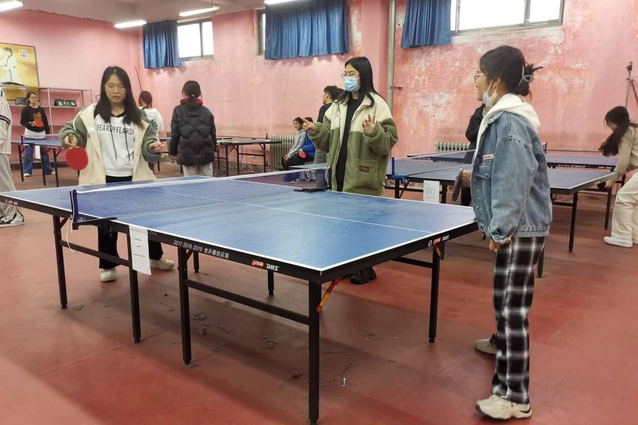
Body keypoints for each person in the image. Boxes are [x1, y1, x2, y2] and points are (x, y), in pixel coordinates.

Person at [466, 46, 551, 421]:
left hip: (519, 227)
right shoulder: (502, 116)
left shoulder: (509, 122)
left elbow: (512, 179)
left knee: (513, 310)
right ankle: (500, 342)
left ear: (495, 80)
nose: (475, 80)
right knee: (504, 299)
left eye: (478, 73)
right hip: (520, 225)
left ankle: (514, 396)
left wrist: (500, 228)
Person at [60, 66, 174, 282]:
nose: (115, 90)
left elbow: (149, 142)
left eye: (120, 86)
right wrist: (70, 138)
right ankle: (108, 264)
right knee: (106, 225)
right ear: (104, 87)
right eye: (111, 86)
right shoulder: (89, 114)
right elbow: (71, 131)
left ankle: (155, 257)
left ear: (127, 89)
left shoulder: (139, 115)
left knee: (147, 220)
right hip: (104, 179)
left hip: (135, 178)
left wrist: (152, 147)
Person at [305, 56, 398, 284]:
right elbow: (328, 142)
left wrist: (374, 132)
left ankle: (365, 269)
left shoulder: (377, 104)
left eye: (352, 74)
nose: (347, 78)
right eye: (345, 74)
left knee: (362, 227)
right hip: (338, 175)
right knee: (343, 226)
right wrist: (316, 130)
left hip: (363, 176)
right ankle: (349, 265)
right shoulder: (337, 106)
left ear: (363, 76)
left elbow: (387, 143)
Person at [599, 106, 638, 247]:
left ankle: (622, 237)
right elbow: (632, 162)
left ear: (615, 121)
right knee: (634, 201)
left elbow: (623, 162)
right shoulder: (634, 129)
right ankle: (635, 235)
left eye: (609, 123)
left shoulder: (626, 133)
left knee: (623, 198)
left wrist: (612, 179)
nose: (609, 127)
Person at [169, 80, 216, 177]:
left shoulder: (178, 110)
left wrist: (172, 151)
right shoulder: (207, 111)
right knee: (208, 184)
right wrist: (214, 148)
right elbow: (213, 133)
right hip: (206, 154)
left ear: (184, 93)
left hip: (187, 155)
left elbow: (175, 134)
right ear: (199, 94)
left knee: (190, 184)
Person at [0, 87, 25, 227]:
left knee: (4, 183)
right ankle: (3, 213)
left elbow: (3, 118)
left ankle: (14, 214)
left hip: (0, 148)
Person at [20, 91, 54, 177]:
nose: (34, 99)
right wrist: (30, 124)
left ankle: (48, 170)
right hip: (30, 134)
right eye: (32, 97)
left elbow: (45, 121)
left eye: (35, 97)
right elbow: (22, 122)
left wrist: (47, 133)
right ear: (28, 99)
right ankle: (27, 171)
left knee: (44, 153)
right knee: (28, 153)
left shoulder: (41, 109)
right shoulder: (25, 109)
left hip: (41, 134)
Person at [460, 103, 485, 205]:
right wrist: (483, 125)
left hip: (487, 156)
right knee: (467, 187)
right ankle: (463, 207)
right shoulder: (478, 113)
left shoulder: (499, 114)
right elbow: (469, 135)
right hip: (472, 154)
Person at [315, 85, 342, 164]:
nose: (322, 96)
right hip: (336, 145)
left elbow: (320, 129)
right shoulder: (339, 108)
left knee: (319, 169)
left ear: (327, 95)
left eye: (323, 93)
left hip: (324, 145)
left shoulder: (324, 108)